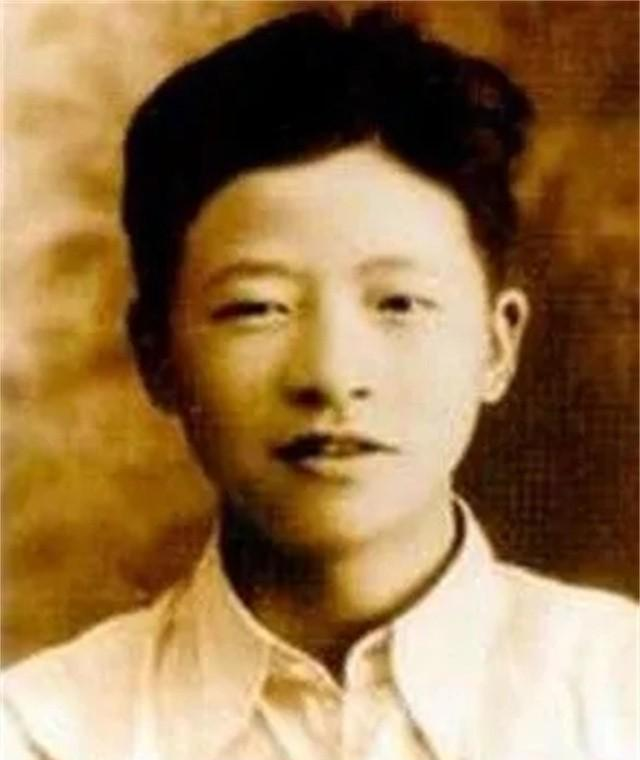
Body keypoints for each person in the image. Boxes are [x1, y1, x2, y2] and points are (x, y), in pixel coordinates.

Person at [3, 7, 637, 760]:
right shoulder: (41, 731)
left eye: (399, 303)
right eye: (257, 307)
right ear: (158, 357)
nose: (333, 376)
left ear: (497, 346)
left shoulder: (617, 693)